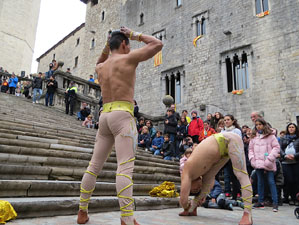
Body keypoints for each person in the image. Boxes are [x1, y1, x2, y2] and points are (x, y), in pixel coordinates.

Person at [77, 27, 163, 225]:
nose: (130, 46)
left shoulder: (101, 67)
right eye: (128, 44)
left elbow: (98, 62)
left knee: (93, 166)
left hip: (104, 116)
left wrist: (108, 44)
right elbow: (158, 44)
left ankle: (82, 211)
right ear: (124, 44)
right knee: (124, 168)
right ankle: (126, 218)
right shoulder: (128, 58)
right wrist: (134, 34)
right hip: (122, 115)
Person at [179, 132, 253, 225]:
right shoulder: (203, 174)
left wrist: (186, 206)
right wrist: (192, 206)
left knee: (241, 174)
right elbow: (207, 186)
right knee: (208, 181)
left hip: (227, 139)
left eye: (193, 190)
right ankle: (192, 209)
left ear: (189, 185)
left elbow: (183, 199)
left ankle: (247, 213)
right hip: (222, 152)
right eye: (196, 191)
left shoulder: (187, 171)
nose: (197, 189)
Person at [248, 118, 280, 212]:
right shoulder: (254, 137)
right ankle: (260, 201)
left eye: (260, 124)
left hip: (268, 162)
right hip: (258, 163)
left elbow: (276, 147)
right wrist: (252, 160)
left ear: (264, 125)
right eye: (256, 125)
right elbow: (250, 150)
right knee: (260, 182)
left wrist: (270, 158)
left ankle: (275, 202)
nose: (258, 126)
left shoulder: (271, 136)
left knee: (271, 182)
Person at [221, 115, 242, 199]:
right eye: (225, 120)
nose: (226, 121)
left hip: (234, 155)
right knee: (226, 175)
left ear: (233, 121)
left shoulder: (236, 131)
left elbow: (238, 142)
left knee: (235, 176)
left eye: (228, 120)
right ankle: (227, 191)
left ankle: (236, 193)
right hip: (225, 155)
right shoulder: (222, 131)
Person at [280, 123, 299, 205]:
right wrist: (285, 155)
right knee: (289, 180)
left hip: (296, 162)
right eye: (290, 127)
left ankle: (296, 198)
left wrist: (295, 155)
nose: (291, 129)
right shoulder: (283, 138)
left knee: (296, 180)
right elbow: (280, 148)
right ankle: (289, 197)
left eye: (293, 127)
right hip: (286, 163)